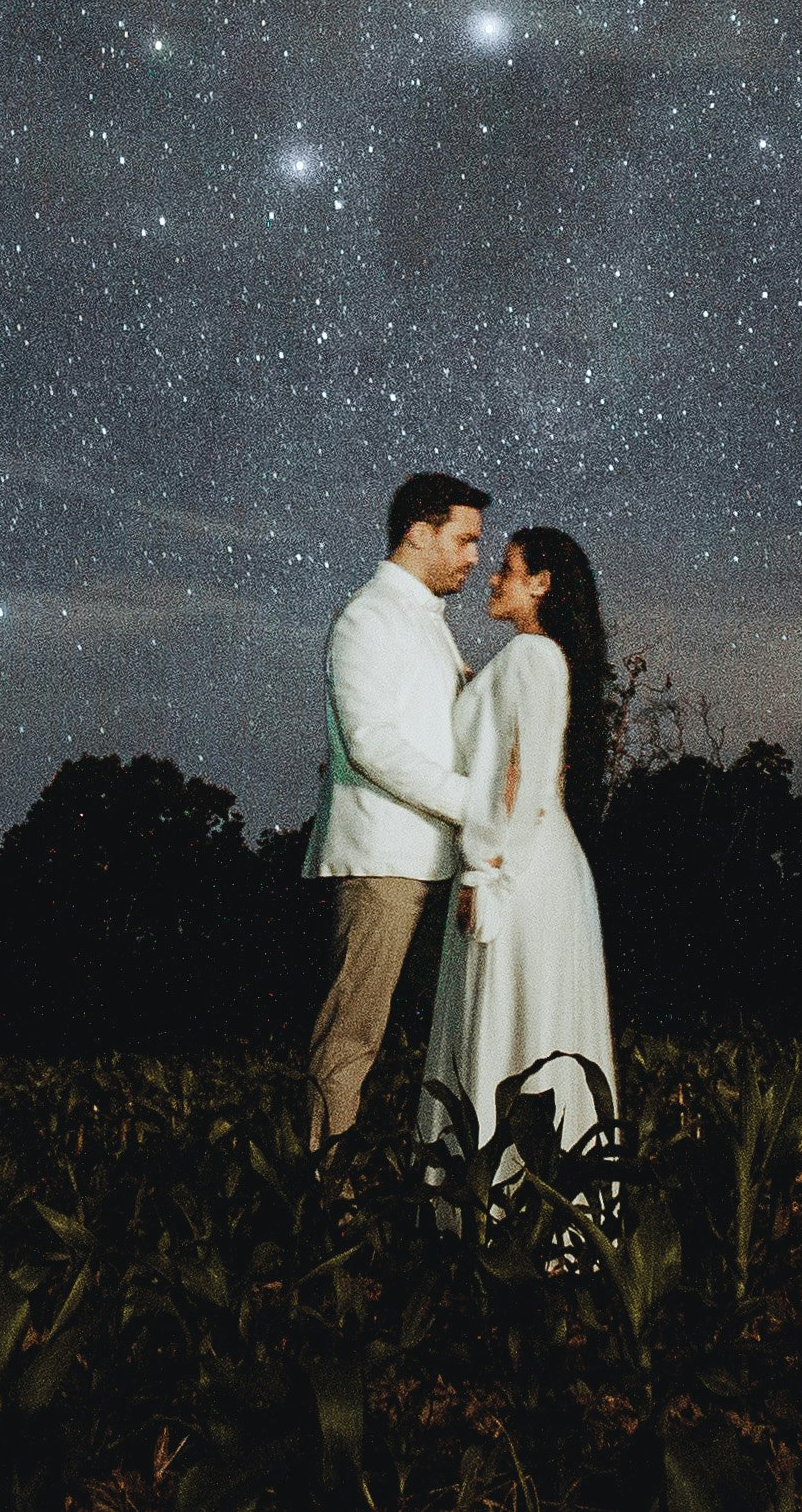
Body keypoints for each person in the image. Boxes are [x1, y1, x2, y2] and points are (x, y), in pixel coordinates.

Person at [424, 524, 618, 1186]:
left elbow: (524, 778)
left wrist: (485, 869)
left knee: (511, 1023)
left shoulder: (533, 657)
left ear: (540, 583)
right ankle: (525, 1207)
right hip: (530, 862)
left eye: (506, 567)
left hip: (517, 866)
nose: (492, 577)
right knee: (523, 1024)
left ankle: (502, 1207)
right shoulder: (532, 659)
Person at [304, 470, 485, 1145]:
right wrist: (473, 802)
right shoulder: (367, 616)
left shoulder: (426, 620)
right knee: (352, 1035)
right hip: (383, 859)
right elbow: (370, 742)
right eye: (463, 539)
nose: (474, 557)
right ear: (418, 532)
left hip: (434, 857)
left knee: (425, 1038)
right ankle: (324, 1193)